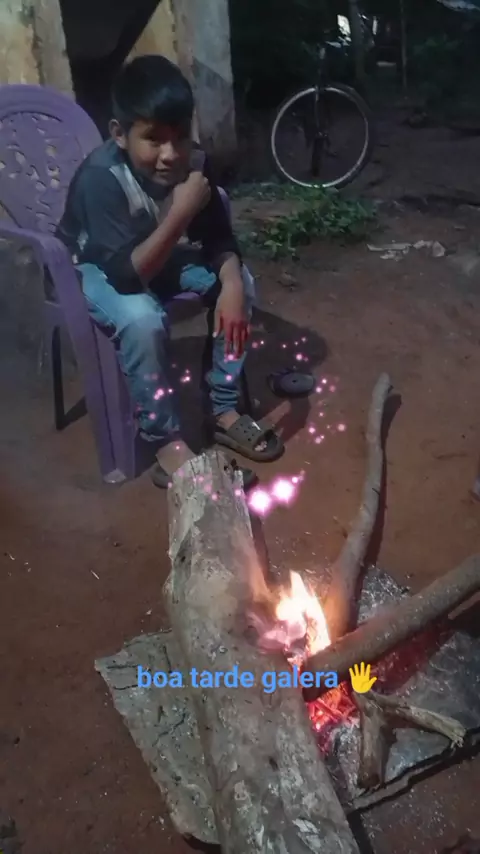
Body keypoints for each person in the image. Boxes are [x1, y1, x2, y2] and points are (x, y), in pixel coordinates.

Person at [56, 54, 284, 488]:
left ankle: (222, 407)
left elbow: (217, 235)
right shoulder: (101, 178)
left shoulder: (194, 163)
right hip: (92, 267)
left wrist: (231, 284)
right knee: (142, 319)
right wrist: (180, 212)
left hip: (149, 255)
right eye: (153, 139)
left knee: (240, 283)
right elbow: (127, 277)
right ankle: (164, 441)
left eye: (180, 137)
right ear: (119, 134)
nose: (170, 154)